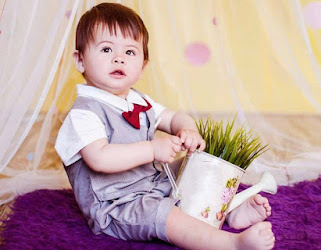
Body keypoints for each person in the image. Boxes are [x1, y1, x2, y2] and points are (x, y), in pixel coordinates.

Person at [55, 3, 275, 249]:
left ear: (143, 66)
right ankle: (229, 243)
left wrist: (188, 130)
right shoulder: (84, 112)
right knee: (163, 215)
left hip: (154, 183)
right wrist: (151, 149)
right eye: (106, 49)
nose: (118, 58)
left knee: (199, 167)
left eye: (130, 52)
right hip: (117, 204)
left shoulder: (138, 100)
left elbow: (173, 118)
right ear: (80, 60)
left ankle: (229, 211)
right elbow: (100, 159)